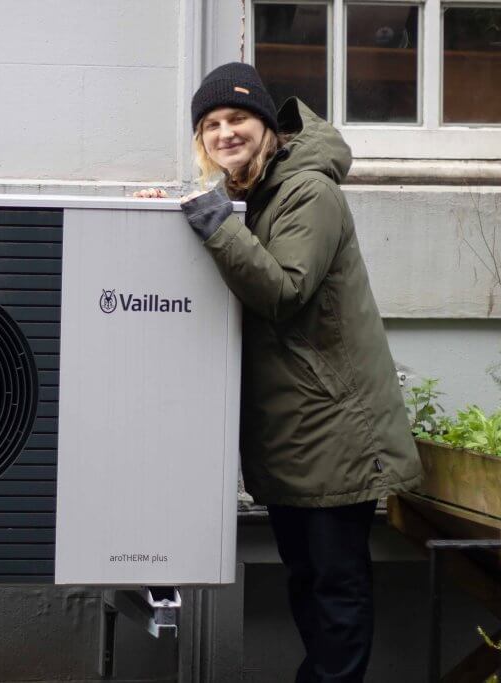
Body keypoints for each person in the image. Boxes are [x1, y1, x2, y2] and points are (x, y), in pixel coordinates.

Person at [138, 62, 423, 682]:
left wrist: (213, 219)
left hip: (333, 427)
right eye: (211, 124)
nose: (225, 133)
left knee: (335, 588)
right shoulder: (255, 195)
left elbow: (283, 290)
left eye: (237, 118)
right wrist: (164, 223)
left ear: (267, 125)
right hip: (296, 431)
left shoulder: (308, 192)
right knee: (308, 581)